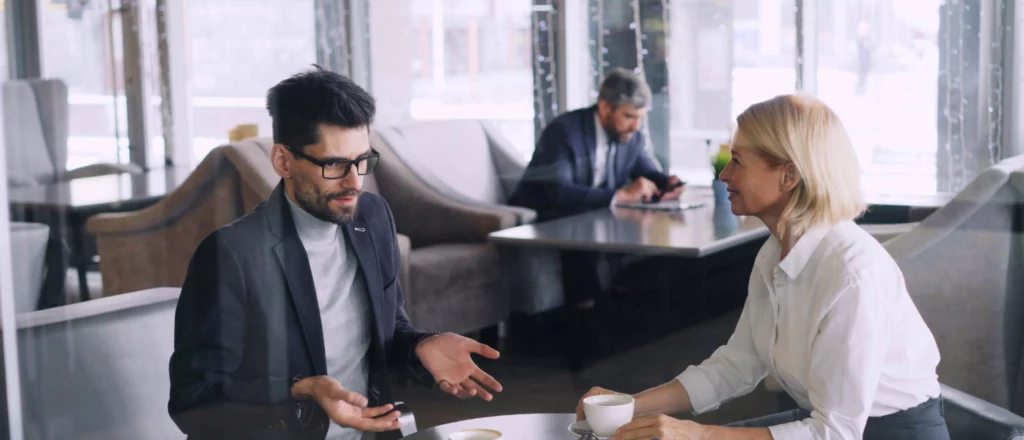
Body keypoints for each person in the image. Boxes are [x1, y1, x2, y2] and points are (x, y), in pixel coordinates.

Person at [576, 94, 949, 440]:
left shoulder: (852, 275)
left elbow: (836, 432)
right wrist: (629, 407)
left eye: (738, 161)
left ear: (789, 175)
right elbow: (738, 364)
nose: (724, 175)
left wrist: (697, 434)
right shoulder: (776, 251)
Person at [168, 67, 503, 440]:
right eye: (334, 165)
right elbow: (193, 403)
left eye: (362, 160)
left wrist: (421, 346)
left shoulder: (373, 219)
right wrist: (298, 391)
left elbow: (390, 331)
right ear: (283, 161)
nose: (355, 181)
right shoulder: (232, 253)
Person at [508, 68, 685, 353]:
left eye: (640, 118)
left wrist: (667, 182)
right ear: (605, 107)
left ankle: (628, 325)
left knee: (650, 236)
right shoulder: (565, 131)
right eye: (629, 116)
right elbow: (559, 192)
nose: (636, 126)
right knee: (582, 234)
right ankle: (584, 338)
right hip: (549, 215)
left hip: (593, 213)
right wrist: (619, 195)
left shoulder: (631, 136)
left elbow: (646, 170)